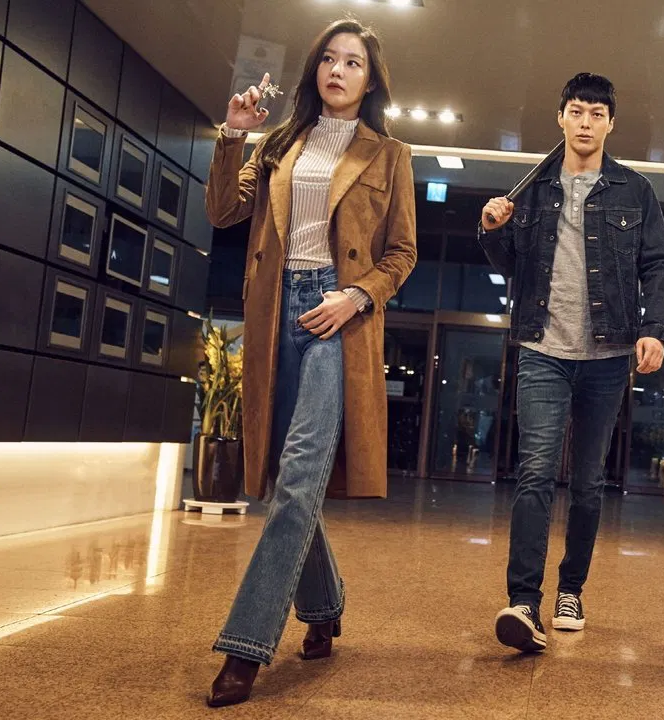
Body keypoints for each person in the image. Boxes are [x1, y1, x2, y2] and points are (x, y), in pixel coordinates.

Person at [202, 19, 416, 707]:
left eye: (353, 62)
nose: (338, 70)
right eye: (329, 58)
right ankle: (323, 607)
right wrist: (233, 135)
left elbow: (402, 254)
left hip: (336, 320)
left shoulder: (389, 155)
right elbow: (223, 211)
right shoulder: (278, 144)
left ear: (371, 80)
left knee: (297, 481)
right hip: (275, 314)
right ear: (314, 71)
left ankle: (245, 647)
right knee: (286, 479)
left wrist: (356, 296)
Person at [477, 72, 664, 653]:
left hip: (608, 355)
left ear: (610, 124)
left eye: (596, 114)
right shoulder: (532, 189)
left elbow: (659, 266)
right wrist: (490, 229)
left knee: (588, 482)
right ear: (560, 117)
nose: (586, 122)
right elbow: (509, 263)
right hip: (543, 348)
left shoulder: (634, 191)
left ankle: (571, 590)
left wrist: (654, 330)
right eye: (577, 111)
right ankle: (523, 600)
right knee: (535, 474)